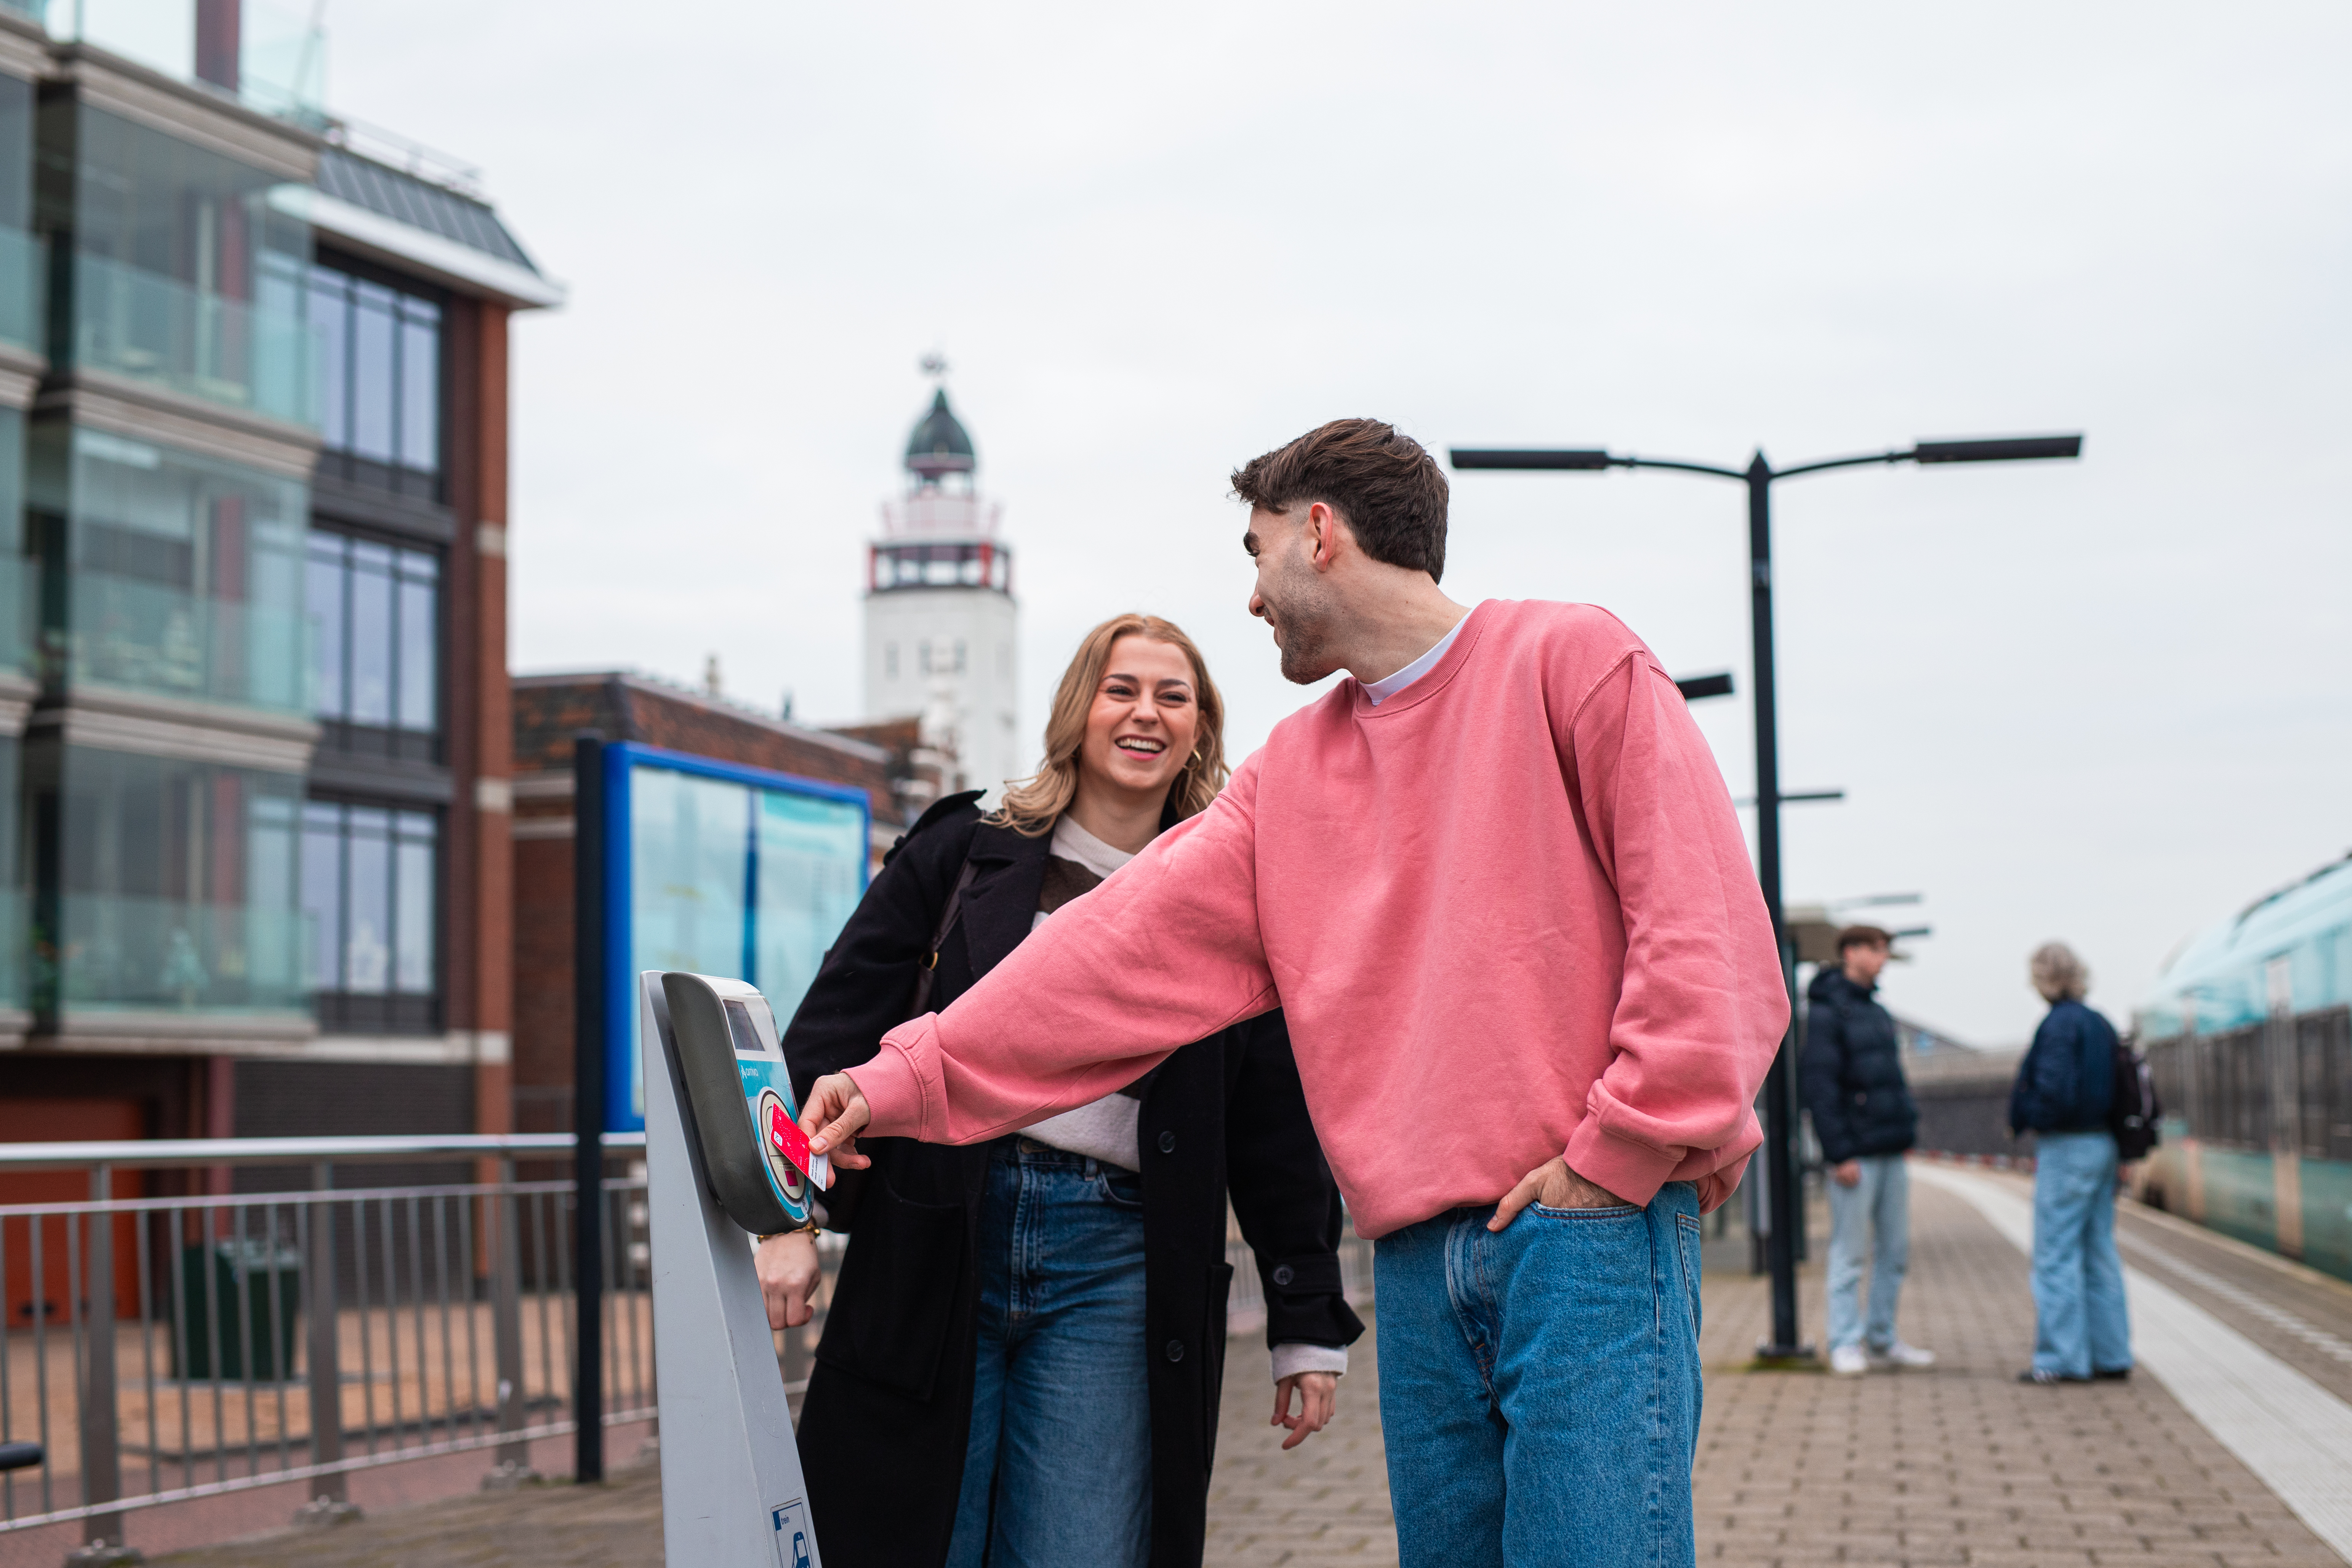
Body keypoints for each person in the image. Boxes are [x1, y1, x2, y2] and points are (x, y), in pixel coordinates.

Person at [799, 419, 1790, 1568]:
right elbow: (1110, 955)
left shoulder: (1571, 662)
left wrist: (1614, 1156)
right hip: (1418, 1261)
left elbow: (1705, 937)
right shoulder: (1292, 777)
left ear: (1318, 533)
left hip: (1588, 1235)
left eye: (1255, 550)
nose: (1254, 597)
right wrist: (900, 1076)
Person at [757, 612, 1362, 1568]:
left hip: (1120, 1258)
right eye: (1121, 688)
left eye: (1174, 696)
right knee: (911, 1534)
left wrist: (1303, 1320)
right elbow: (828, 1033)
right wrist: (785, 1217)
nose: (1145, 713)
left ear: (1200, 728)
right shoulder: (960, 851)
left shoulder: (1232, 895)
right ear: (1077, 709)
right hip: (936, 1232)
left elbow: (1272, 1119)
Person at [1800, 925, 1936, 1376]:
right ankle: (1843, 1341)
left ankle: (1881, 1337)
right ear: (1850, 952)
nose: (1882, 958)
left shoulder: (1877, 1010)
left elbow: (1891, 1079)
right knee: (1849, 1251)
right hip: (1854, 1155)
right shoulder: (1825, 1012)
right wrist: (1838, 1153)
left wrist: (1905, 1131)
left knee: (1894, 1250)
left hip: (1890, 1149)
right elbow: (1820, 1087)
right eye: (1876, 950)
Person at [2009, 940, 2133, 1384]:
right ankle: (2112, 1354)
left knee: (2055, 1253)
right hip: (2103, 1144)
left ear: (2043, 977)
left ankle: (2061, 1359)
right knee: (2099, 1250)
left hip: (2067, 1146)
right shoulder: (2100, 1023)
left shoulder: (2058, 1025)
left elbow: (2054, 1090)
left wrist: (2028, 1117)